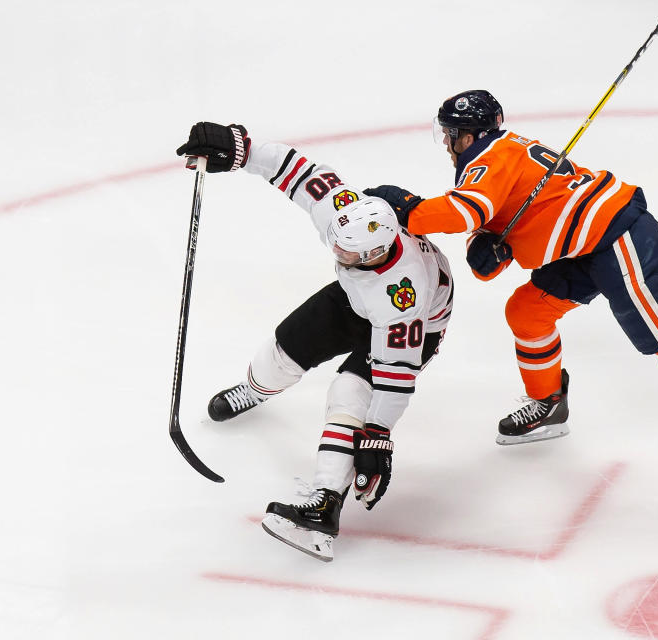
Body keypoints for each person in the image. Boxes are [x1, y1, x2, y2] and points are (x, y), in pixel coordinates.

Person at [364, 89, 658, 477]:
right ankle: (549, 404)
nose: (446, 144)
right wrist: (488, 249)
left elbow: (461, 210)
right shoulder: (503, 156)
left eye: (448, 135)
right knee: (527, 311)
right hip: (586, 249)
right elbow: (489, 238)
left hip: (619, 242)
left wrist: (408, 209)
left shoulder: (490, 160)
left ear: (464, 136)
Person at [175, 122, 454, 560]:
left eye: (346, 253)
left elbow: (395, 377)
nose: (336, 253)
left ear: (374, 254)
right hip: (355, 299)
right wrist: (241, 149)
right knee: (277, 357)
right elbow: (298, 171)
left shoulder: (403, 294)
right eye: (337, 246)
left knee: (349, 394)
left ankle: (324, 503)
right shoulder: (347, 213)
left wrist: (378, 433)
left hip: (410, 328)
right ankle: (256, 390)